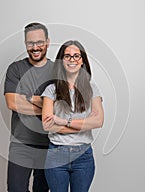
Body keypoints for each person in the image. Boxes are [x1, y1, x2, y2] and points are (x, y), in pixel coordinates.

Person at [41, 40, 104, 192]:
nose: (72, 60)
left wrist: (63, 121)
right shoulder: (51, 89)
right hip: (57, 154)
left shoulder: (91, 88)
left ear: (82, 61)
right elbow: (47, 125)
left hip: (84, 156)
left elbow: (99, 121)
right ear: (61, 60)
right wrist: (84, 124)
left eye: (76, 56)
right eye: (67, 56)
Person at [4, 22, 54, 192]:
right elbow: (12, 103)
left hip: (50, 145)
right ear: (25, 44)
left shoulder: (57, 70)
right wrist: (46, 105)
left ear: (47, 42)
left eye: (39, 42)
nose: (35, 47)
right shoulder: (16, 69)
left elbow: (63, 106)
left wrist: (27, 98)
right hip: (20, 145)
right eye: (30, 43)